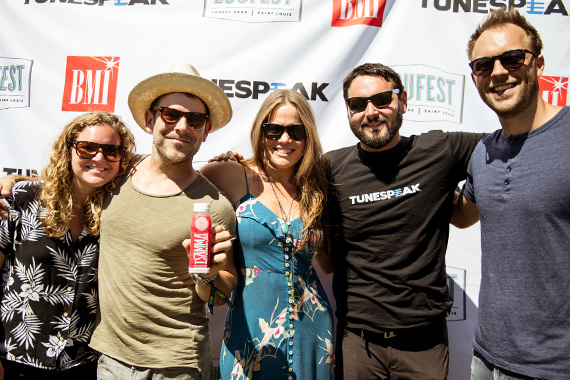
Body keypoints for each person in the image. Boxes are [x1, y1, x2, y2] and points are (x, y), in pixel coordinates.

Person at [0, 63, 238, 380]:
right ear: (150, 119)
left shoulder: (214, 206)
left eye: (194, 119)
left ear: (206, 130)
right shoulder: (115, 173)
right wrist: (13, 184)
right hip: (103, 360)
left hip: (175, 366)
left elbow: (226, 290)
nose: (182, 126)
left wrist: (209, 277)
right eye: (170, 114)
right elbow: (68, 180)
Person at [327, 63, 485, 380]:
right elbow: (277, 176)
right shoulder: (330, 169)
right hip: (358, 344)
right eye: (358, 104)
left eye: (382, 99)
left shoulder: (440, 150)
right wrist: (234, 165)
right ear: (348, 111)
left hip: (424, 344)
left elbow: (509, 145)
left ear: (403, 101)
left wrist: (471, 198)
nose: (371, 112)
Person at [454, 8, 570, 380]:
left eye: (512, 58)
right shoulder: (483, 152)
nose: (499, 72)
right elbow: (462, 215)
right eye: (484, 65)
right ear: (475, 78)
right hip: (485, 359)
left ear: (538, 63)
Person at [199, 89, 334, 380]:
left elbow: (328, 263)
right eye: (274, 130)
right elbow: (181, 188)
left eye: (295, 131)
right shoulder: (231, 175)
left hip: (313, 331)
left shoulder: (318, 188)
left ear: (307, 137)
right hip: (250, 330)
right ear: (261, 132)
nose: (284, 140)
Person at [0, 112, 136, 380]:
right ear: (68, 149)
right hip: (18, 357)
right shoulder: (23, 200)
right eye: (87, 147)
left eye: (111, 150)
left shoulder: (115, 212)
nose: (99, 158)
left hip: (82, 363)